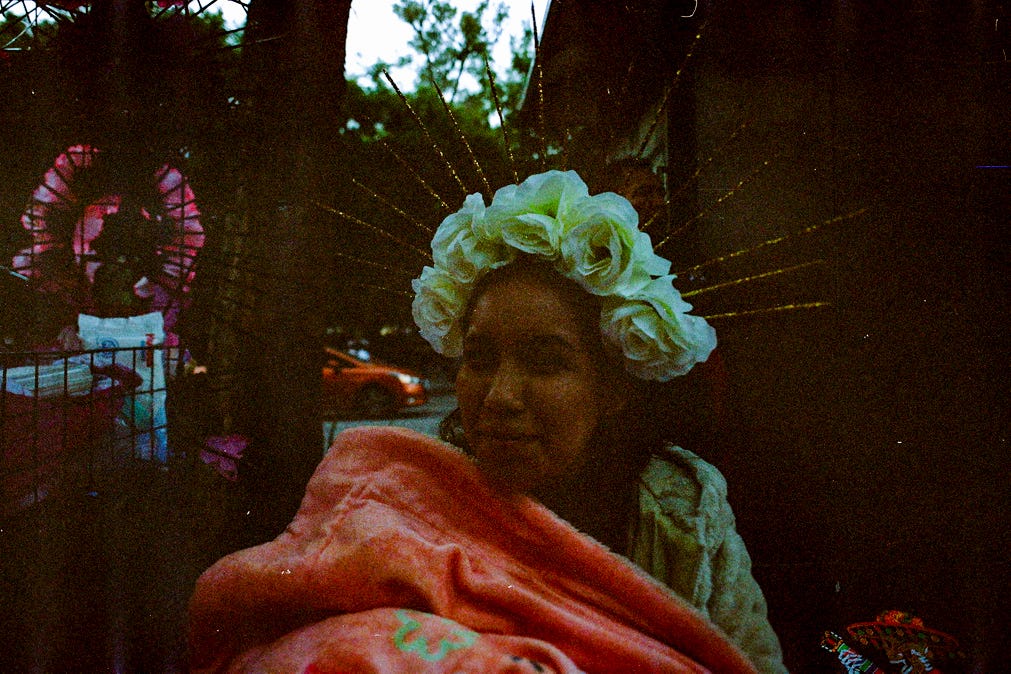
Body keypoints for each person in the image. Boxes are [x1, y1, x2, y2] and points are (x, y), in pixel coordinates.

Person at [413, 169, 787, 673]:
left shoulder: (683, 517)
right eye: (479, 359)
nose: (499, 397)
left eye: (546, 362)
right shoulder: (413, 500)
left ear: (611, 389)